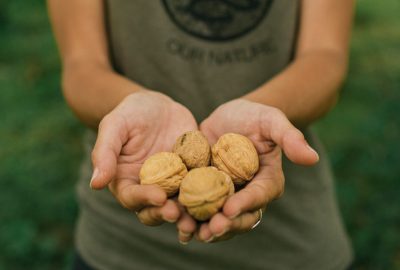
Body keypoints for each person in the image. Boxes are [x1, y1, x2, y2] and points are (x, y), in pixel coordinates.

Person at [48, 0, 355, 269]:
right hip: (122, 245)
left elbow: (325, 55)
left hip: (291, 241)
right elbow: (81, 65)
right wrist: (128, 108)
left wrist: (265, 113)